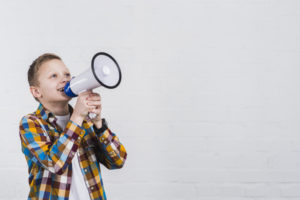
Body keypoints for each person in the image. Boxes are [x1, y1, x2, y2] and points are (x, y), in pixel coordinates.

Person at [18, 53, 127, 200]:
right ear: (36, 91)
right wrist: (77, 117)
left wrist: (99, 125)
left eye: (67, 74)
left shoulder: (86, 122)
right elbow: (56, 165)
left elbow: (118, 161)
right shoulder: (31, 123)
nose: (64, 79)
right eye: (54, 76)